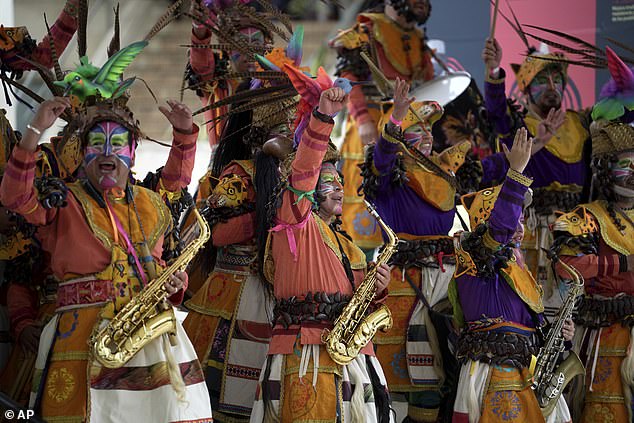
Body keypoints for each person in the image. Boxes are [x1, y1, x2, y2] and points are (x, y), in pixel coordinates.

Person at [0, 91, 213, 422]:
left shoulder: (149, 203)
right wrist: (34, 130)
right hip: (81, 336)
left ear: (131, 152)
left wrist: (175, 283)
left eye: (117, 145)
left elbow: (174, 188)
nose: (107, 153)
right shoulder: (63, 200)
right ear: (84, 153)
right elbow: (15, 198)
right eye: (97, 144)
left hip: (150, 336)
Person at [361, 77, 512, 422]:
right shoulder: (390, 180)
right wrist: (396, 119)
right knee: (415, 385)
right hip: (403, 281)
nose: (428, 136)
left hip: (445, 279)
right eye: (418, 130)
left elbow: (485, 171)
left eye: (430, 130)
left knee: (447, 379)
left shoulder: (443, 172)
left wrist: (515, 165)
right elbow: (381, 160)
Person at [250, 87, 393, 422]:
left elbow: (362, 305)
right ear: (310, 190)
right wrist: (322, 119)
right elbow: (302, 174)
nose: (340, 188)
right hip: (306, 353)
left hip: (352, 359)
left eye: (340, 180)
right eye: (329, 181)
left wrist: (378, 289)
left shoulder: (353, 248)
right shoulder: (296, 221)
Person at [449, 127, 574, 422]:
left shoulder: (518, 269)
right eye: (513, 215)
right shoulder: (476, 256)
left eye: (521, 218)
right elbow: (499, 230)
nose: (520, 226)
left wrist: (562, 338)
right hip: (494, 373)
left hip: (526, 373)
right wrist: (516, 172)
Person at [550, 50, 634, 421]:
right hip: (604, 342)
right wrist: (622, 262)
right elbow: (568, 266)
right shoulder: (586, 217)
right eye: (626, 163)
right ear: (605, 165)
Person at [481, 38, 591, 296]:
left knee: (574, 306)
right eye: (543, 80)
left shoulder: (581, 122)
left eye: (557, 79)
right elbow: (496, 109)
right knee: (536, 299)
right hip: (535, 231)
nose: (552, 86)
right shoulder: (517, 126)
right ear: (527, 88)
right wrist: (493, 70)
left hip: (579, 233)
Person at [329, 0, 435, 253]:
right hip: (372, 125)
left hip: (409, 128)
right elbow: (348, 78)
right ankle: (358, 261)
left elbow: (428, 81)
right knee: (363, 191)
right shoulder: (367, 28)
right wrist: (363, 118)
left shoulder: (418, 37)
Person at [187, 0, 274, 148]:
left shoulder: (277, 86)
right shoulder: (217, 83)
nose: (249, 53)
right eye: (240, 45)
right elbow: (202, 64)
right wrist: (199, 28)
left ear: (267, 47)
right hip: (224, 168)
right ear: (228, 50)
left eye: (256, 45)